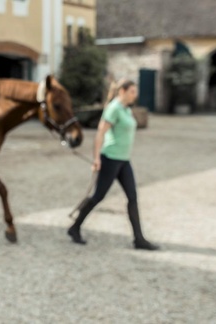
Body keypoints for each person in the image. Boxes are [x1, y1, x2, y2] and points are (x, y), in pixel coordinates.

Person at [67, 80, 159, 250]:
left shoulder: (126, 109)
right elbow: (100, 133)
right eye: (132, 91)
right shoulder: (114, 108)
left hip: (124, 160)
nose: (135, 94)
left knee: (132, 197)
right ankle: (75, 227)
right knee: (98, 196)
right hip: (110, 159)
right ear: (122, 91)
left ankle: (139, 239)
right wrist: (96, 158)